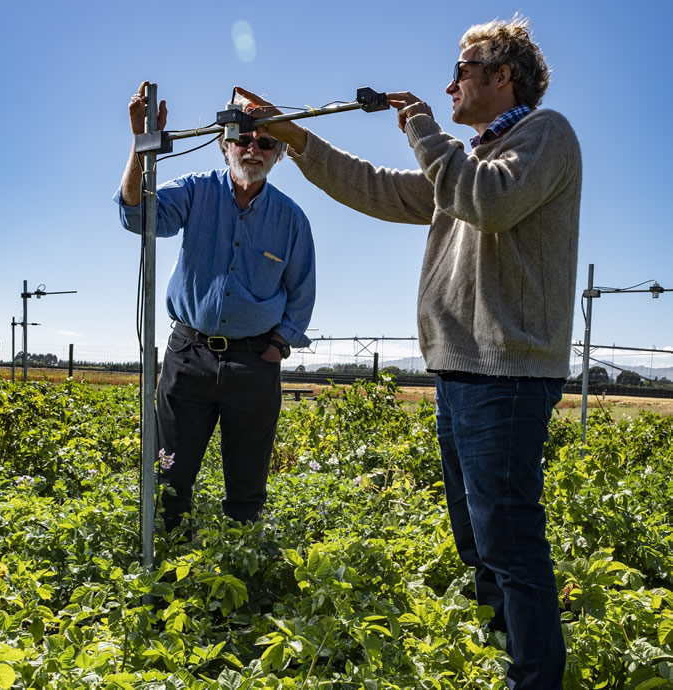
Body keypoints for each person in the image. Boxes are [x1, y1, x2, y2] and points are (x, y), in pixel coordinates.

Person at [237, 15, 580, 689]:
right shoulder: (466, 160)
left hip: (506, 375)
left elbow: (490, 202)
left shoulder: (544, 136)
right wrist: (293, 136)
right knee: (479, 544)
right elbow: (376, 186)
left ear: (503, 74)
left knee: (510, 546)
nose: (449, 81)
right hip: (460, 373)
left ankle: (534, 679)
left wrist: (424, 128)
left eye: (463, 68)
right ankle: (503, 661)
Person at [114, 81, 316, 532]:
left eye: (266, 142)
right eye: (243, 138)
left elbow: (301, 295)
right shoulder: (195, 191)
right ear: (224, 145)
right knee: (170, 476)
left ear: (279, 154)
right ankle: (168, 572)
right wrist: (139, 147)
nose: (253, 148)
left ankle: (239, 579)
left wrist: (277, 346)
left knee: (247, 485)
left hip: (253, 363)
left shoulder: (291, 219)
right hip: (189, 357)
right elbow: (136, 216)